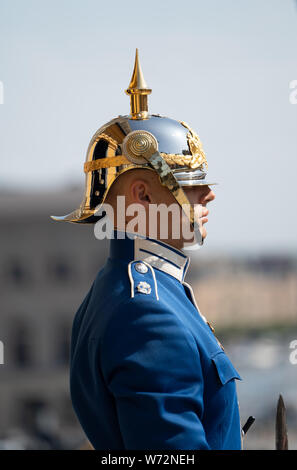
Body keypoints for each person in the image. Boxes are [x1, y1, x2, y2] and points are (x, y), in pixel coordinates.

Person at [52, 50, 242, 450]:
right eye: (190, 184)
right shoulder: (147, 313)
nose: (208, 194)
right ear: (142, 195)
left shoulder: (126, 287)